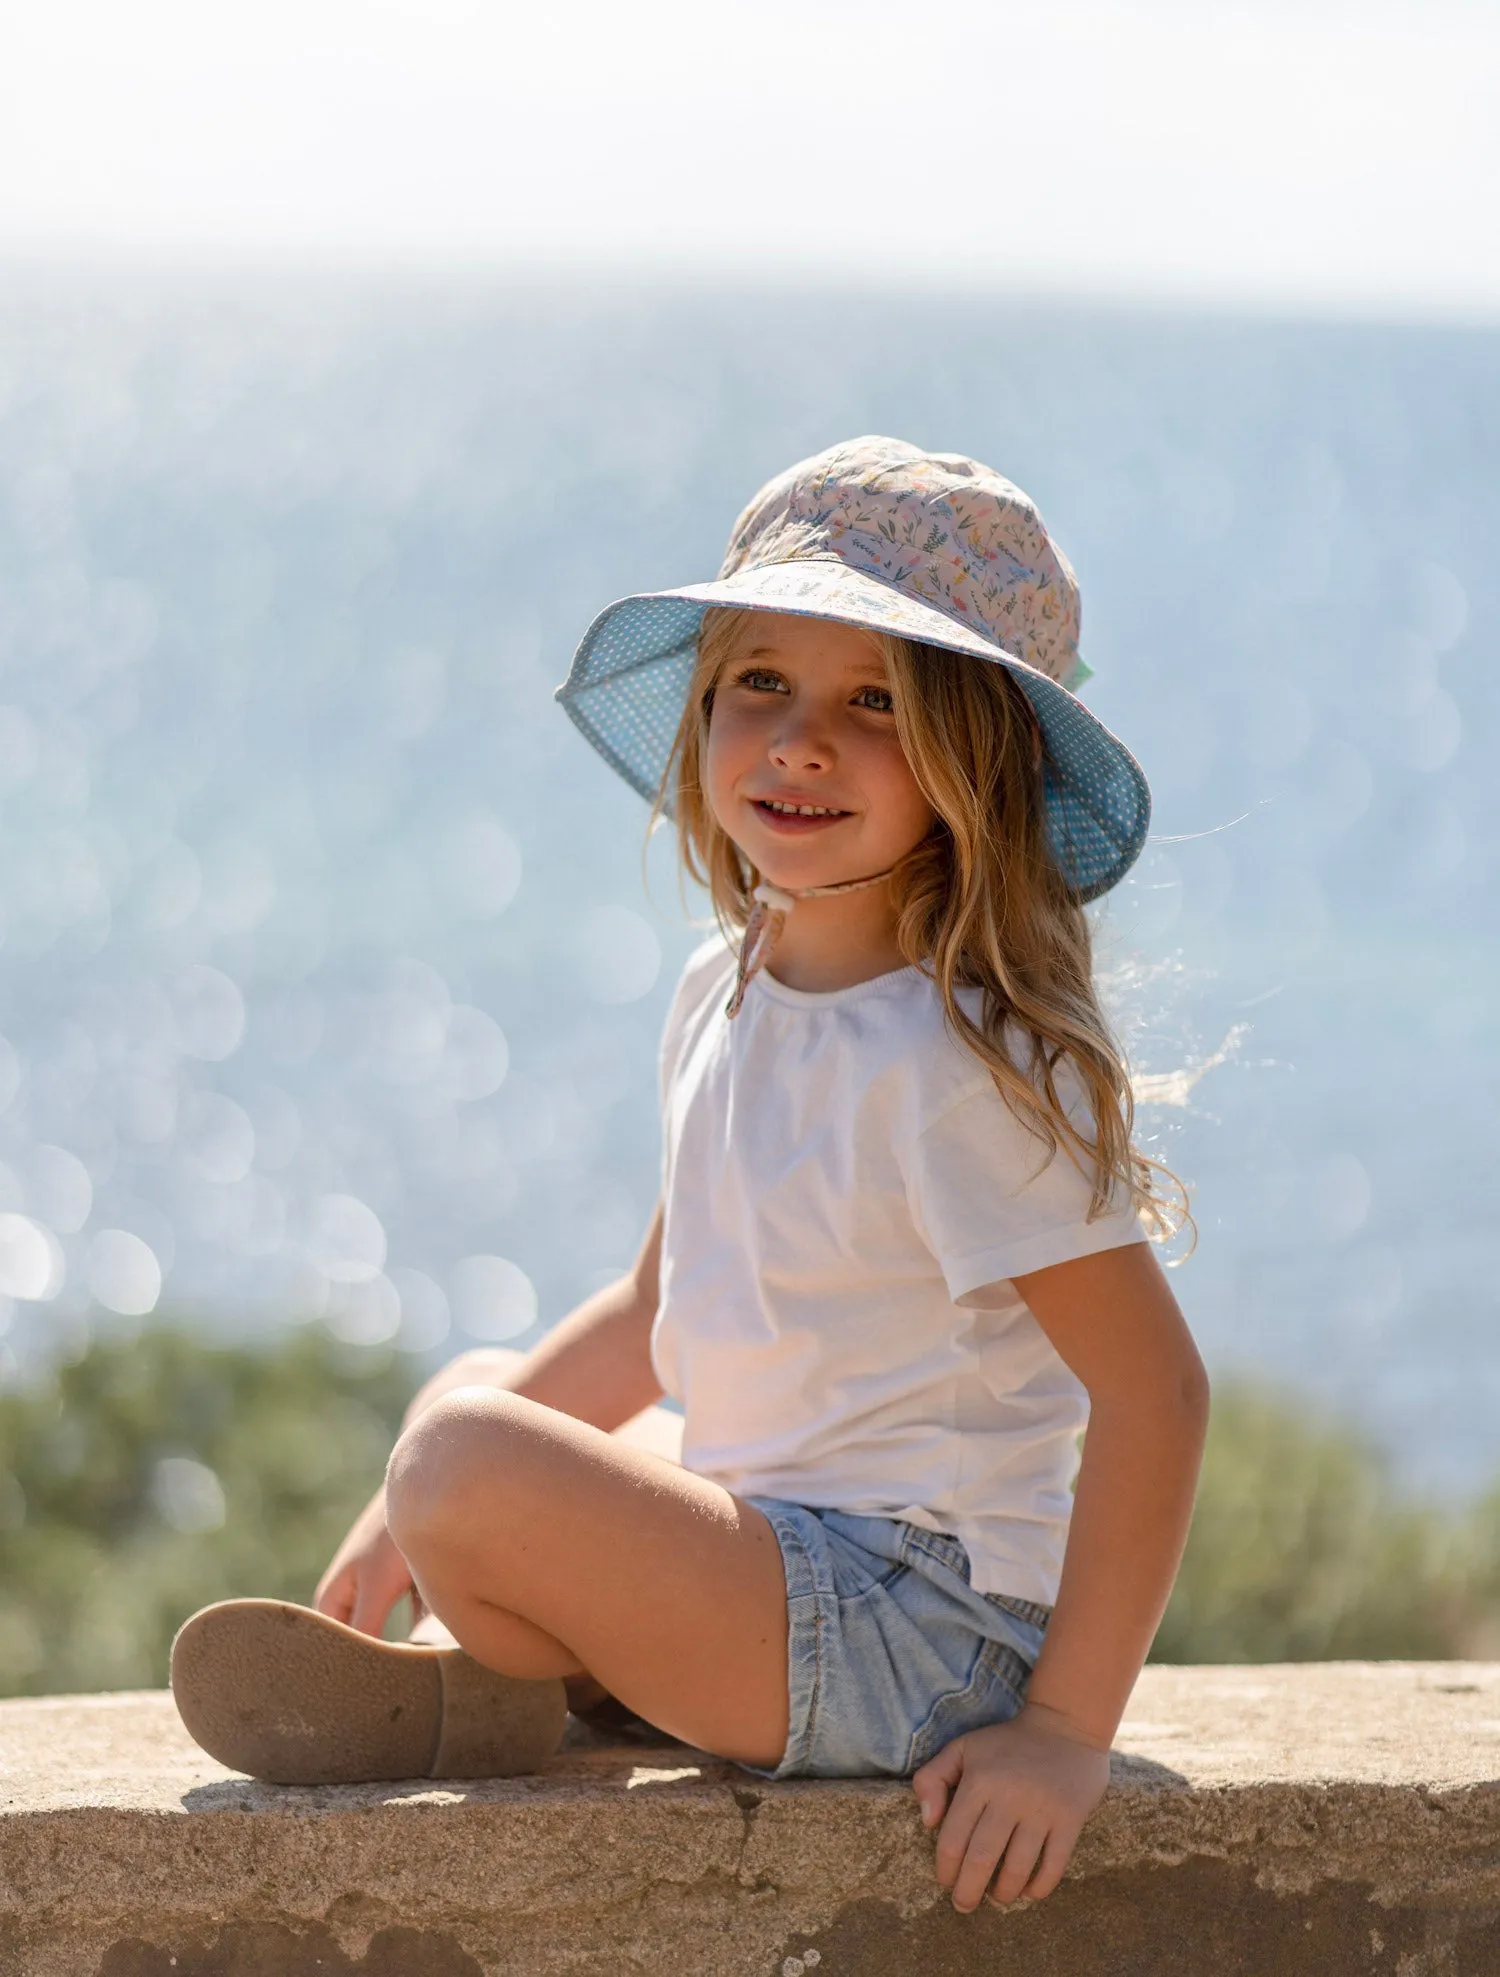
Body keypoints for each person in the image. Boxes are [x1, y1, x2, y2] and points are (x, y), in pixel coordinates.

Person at [172, 436, 1209, 1915]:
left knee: (467, 1455)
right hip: (781, 1552)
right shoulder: (731, 986)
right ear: (703, 716)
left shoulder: (955, 1064)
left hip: (919, 1632)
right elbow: (662, 1306)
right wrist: (415, 1501)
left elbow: (1159, 1394)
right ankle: (511, 1685)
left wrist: (1062, 1734)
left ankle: (544, 1666)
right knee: (470, 1397)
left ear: (973, 762)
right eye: (760, 686)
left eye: (873, 704)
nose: (799, 743)